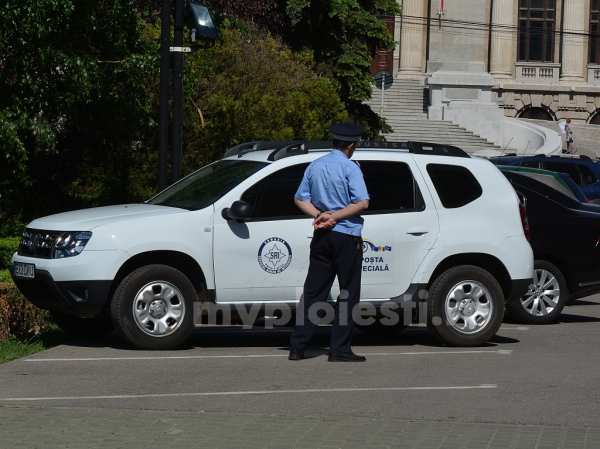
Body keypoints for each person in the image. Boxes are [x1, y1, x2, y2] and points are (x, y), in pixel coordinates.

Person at [288, 122, 370, 362]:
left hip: (322, 234)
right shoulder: (351, 168)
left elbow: (299, 198)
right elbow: (362, 203)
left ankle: (298, 346)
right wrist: (334, 216)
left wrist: (320, 215)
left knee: (314, 291)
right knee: (348, 292)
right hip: (346, 235)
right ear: (351, 145)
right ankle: (339, 349)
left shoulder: (315, 165)